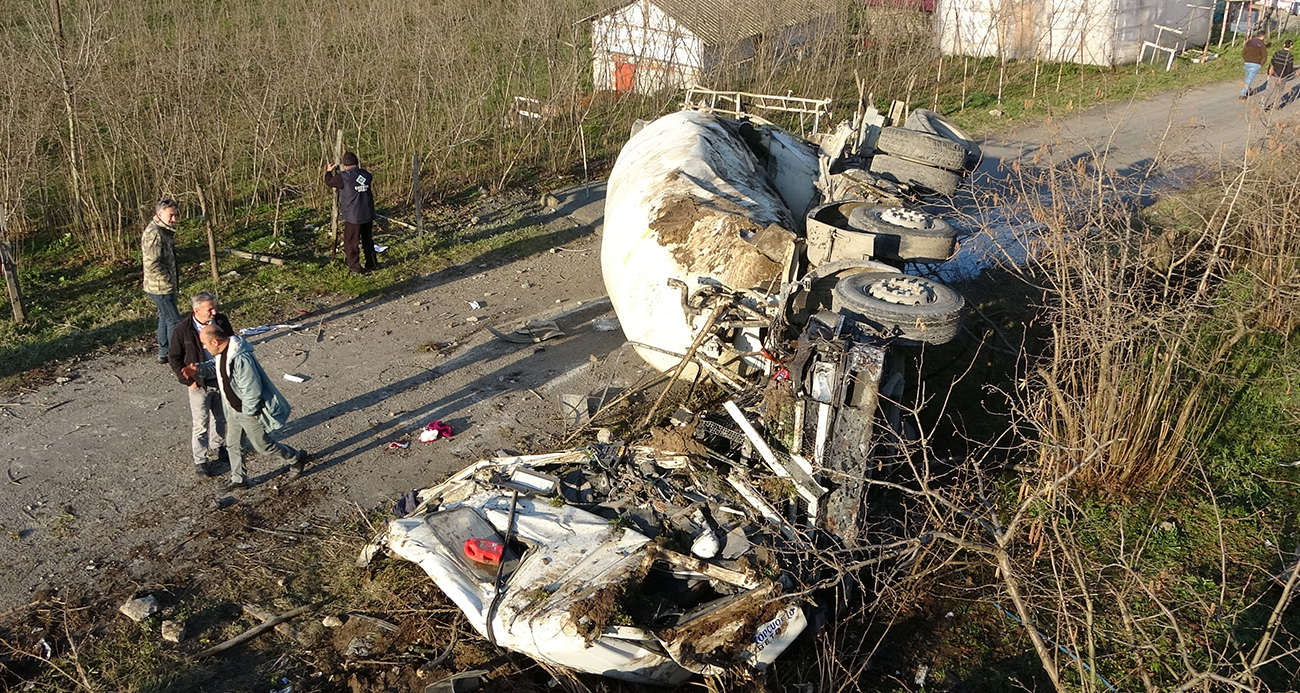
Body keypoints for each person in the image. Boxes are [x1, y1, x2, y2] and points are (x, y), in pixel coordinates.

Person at [182, 325, 309, 490]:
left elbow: (252, 389)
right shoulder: (223, 353)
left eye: (205, 344)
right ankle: (239, 479)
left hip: (248, 412)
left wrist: (249, 413)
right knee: (233, 445)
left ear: (215, 341)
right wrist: (198, 369)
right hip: (233, 408)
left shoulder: (241, 358)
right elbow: (216, 366)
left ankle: (295, 458)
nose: (204, 348)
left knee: (263, 446)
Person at [167, 291, 233, 477]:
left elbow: (231, 343)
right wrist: (188, 381)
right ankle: (201, 460)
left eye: (214, 307)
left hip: (220, 379)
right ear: (196, 310)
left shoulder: (221, 322)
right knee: (201, 423)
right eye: (209, 309)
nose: (214, 312)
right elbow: (174, 358)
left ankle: (219, 446)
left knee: (220, 417)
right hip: (198, 383)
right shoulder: (182, 330)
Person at [142, 199, 182, 364]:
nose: (174, 219)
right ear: (160, 214)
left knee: (164, 317)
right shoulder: (155, 233)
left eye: (175, 215)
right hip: (159, 287)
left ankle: (164, 352)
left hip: (163, 285)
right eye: (170, 215)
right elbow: (152, 263)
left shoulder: (163, 230)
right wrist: (166, 278)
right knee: (175, 320)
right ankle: (176, 355)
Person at [324, 152, 377, 274]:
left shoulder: (343, 177)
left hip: (353, 216)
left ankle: (355, 268)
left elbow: (330, 182)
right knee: (367, 240)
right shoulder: (367, 175)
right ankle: (372, 263)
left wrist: (328, 171)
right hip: (368, 213)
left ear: (345, 165)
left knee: (351, 243)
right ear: (356, 163)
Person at [1268, 39, 1296, 110]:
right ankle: (1276, 106)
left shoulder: (1277, 53)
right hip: (1282, 76)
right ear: (1291, 46)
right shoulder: (1290, 56)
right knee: (1279, 91)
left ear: (1284, 44)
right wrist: (1287, 75)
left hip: (1274, 75)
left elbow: (1271, 63)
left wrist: (1269, 72)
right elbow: (1289, 69)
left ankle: (1263, 103)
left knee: (1269, 90)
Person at [1242, 31, 1268, 100]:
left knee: (1247, 77)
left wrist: (1245, 59)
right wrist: (1261, 64)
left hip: (1247, 62)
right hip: (1256, 63)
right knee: (1249, 79)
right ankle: (1243, 93)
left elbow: (1244, 51)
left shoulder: (1249, 42)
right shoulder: (1262, 44)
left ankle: (1247, 89)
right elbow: (1264, 56)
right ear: (1262, 37)